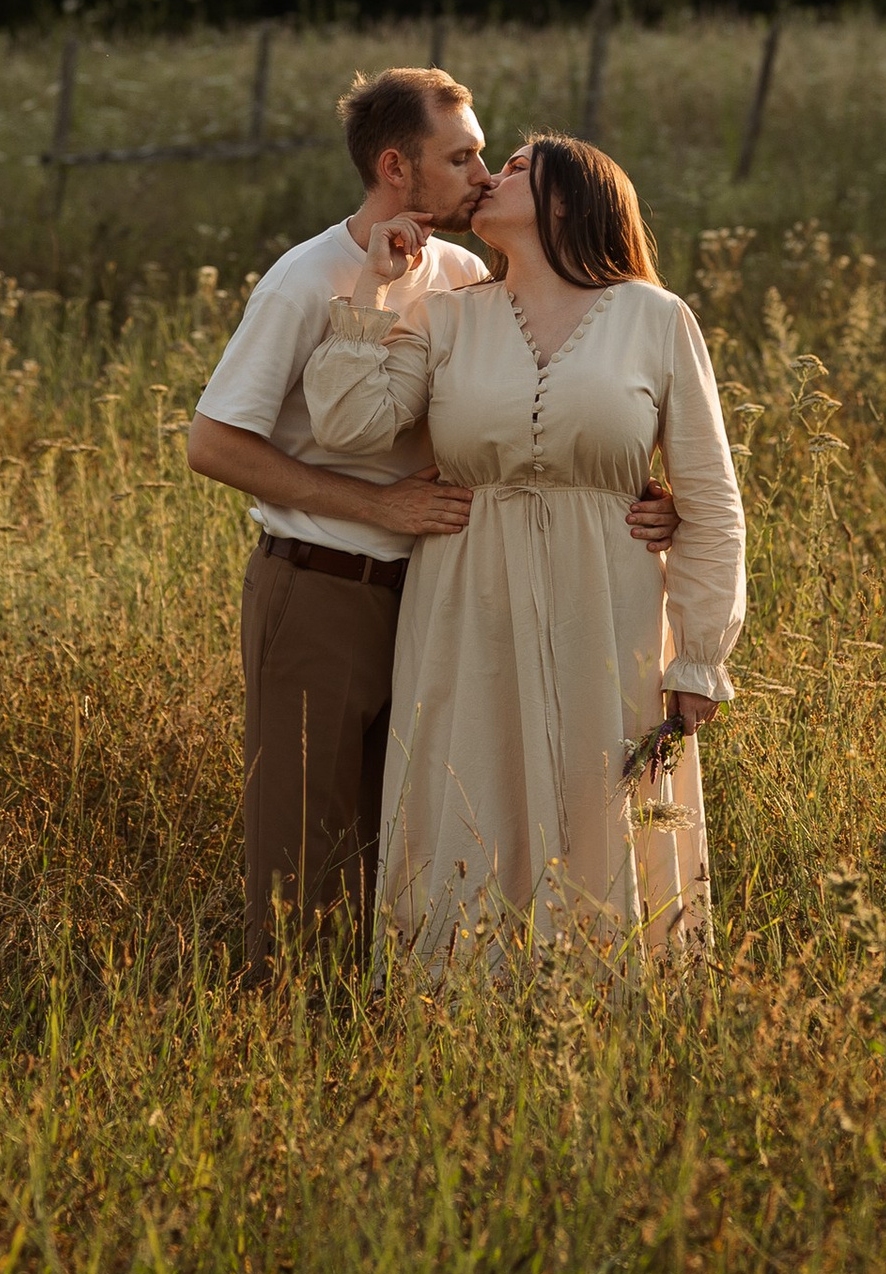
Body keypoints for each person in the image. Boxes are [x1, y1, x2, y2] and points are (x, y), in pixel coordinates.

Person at [185, 69, 676, 978]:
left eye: (486, 154)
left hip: (435, 598)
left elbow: (532, 398)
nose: (483, 172)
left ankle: (392, 1034)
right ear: (394, 168)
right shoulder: (306, 278)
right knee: (303, 850)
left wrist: (635, 495)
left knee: (408, 840)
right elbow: (211, 444)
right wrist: (378, 506)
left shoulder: (460, 273)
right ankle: (284, 1049)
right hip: (321, 588)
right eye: (461, 157)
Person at [304, 131, 746, 972]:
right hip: (466, 601)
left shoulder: (656, 318)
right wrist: (375, 284)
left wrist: (697, 661)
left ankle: (610, 1020)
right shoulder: (446, 315)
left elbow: (714, 498)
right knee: (466, 796)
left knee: (601, 810)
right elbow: (348, 423)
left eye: (513, 169)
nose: (489, 179)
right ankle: (456, 1018)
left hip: (609, 604)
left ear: (568, 201)